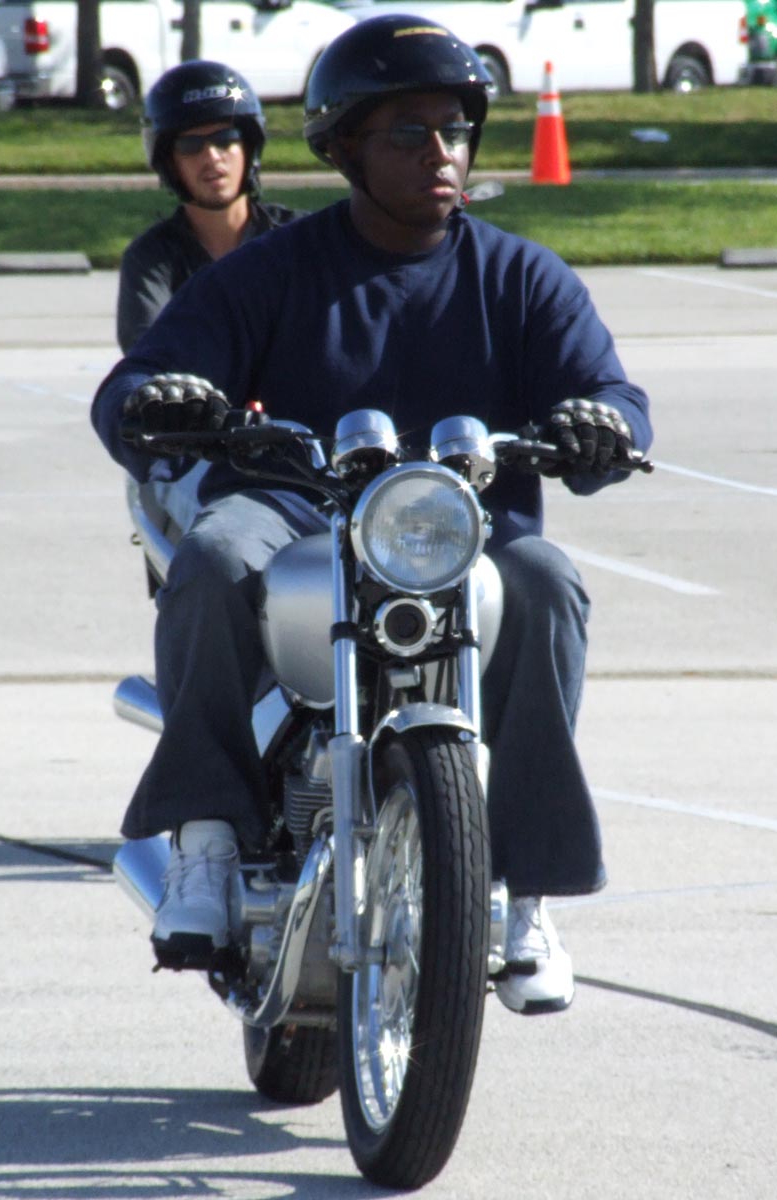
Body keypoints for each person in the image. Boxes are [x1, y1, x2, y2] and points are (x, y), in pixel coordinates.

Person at [92, 15, 653, 1016]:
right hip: (292, 509)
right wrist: (157, 397)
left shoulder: (520, 276)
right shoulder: (271, 271)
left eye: (455, 129)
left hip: (456, 525)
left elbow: (611, 392)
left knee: (548, 580)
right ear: (344, 147)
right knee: (214, 557)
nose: (442, 152)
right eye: (409, 132)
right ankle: (207, 846)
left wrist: (601, 423)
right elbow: (141, 376)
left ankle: (524, 895)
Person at [116, 60, 302, 354]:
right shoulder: (151, 260)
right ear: (170, 163)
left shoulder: (300, 240)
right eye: (190, 146)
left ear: (249, 148)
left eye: (225, 139)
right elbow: (149, 353)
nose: (212, 157)